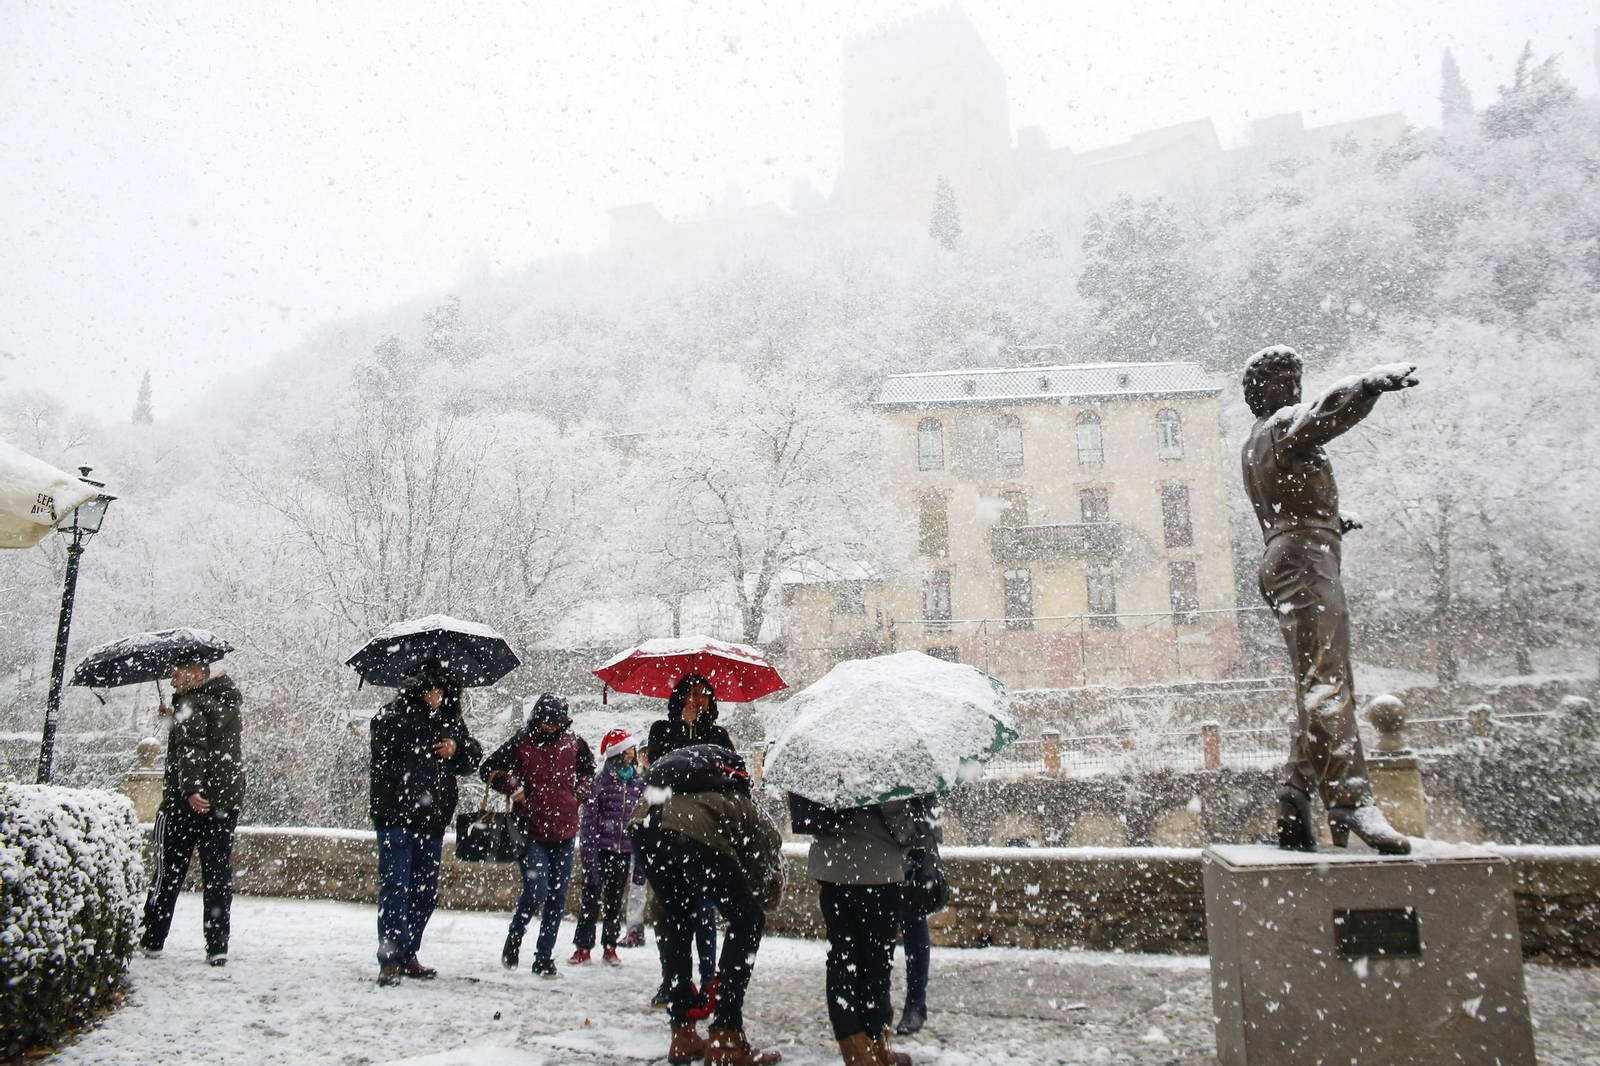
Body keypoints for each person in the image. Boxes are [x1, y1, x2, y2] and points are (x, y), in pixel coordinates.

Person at [1241, 346, 1417, 854]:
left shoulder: (1256, 441)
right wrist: (1366, 385)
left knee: (1315, 681)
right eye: (1283, 379)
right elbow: (1323, 413)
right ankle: (1349, 798)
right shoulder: (1283, 424)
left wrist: (1330, 522)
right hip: (1304, 559)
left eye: (1295, 377)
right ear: (1262, 390)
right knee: (1328, 681)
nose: (1293, 387)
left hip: (1288, 552)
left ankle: (1294, 798)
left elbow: (1285, 494)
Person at [629, 744, 784, 1066]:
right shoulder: (744, 806)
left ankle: (682, 1033)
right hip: (689, 830)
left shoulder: (692, 787)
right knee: (748, 921)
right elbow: (763, 867)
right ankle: (726, 1036)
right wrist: (760, 902)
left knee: (678, 918)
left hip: (643, 822)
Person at [794, 792, 933, 1066]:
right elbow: (891, 803)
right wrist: (910, 834)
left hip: (832, 865)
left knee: (842, 956)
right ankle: (870, 1038)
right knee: (875, 960)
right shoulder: (877, 765)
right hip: (875, 864)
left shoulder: (826, 765)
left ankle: (855, 1042)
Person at [368, 660, 482, 986]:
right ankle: (391, 959)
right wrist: (423, 723)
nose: (439, 695)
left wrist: (455, 747)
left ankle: (407, 953)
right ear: (420, 688)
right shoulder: (392, 717)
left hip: (431, 821)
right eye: (434, 688)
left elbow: (472, 758)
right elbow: (386, 751)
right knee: (396, 888)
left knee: (425, 892)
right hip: (396, 818)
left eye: (443, 689)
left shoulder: (448, 720)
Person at [140, 659, 245, 966]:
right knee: (217, 876)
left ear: (195, 675)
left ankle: (152, 938)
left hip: (185, 806)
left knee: (168, 874)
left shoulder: (190, 702)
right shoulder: (226, 702)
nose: (172, 680)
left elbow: (192, 748)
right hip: (223, 804)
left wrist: (191, 790)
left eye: (177, 674)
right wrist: (173, 720)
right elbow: (205, 739)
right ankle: (217, 946)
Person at [481, 692, 594, 977]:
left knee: (557, 897)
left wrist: (577, 796)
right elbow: (489, 770)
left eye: (556, 722)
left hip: (565, 831)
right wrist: (516, 789)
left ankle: (544, 957)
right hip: (531, 831)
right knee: (536, 890)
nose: (551, 726)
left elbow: (588, 772)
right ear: (537, 719)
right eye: (546, 721)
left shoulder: (575, 743)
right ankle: (516, 935)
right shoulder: (521, 741)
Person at [645, 673, 733, 1011]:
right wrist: (684, 730)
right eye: (691, 694)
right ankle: (673, 979)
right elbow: (659, 769)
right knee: (666, 911)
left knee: (704, 911)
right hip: (666, 829)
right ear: (679, 698)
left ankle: (709, 979)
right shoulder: (661, 730)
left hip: (704, 831)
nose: (698, 701)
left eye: (704, 695)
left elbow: (728, 774)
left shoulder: (718, 735)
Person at [569, 727, 644, 966]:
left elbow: (641, 822)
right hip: (600, 850)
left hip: (623, 852)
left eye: (632, 750)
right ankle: (583, 947)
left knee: (614, 902)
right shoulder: (599, 782)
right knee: (590, 900)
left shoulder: (637, 784)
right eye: (627, 750)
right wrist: (589, 857)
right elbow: (589, 823)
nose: (631, 754)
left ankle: (610, 946)